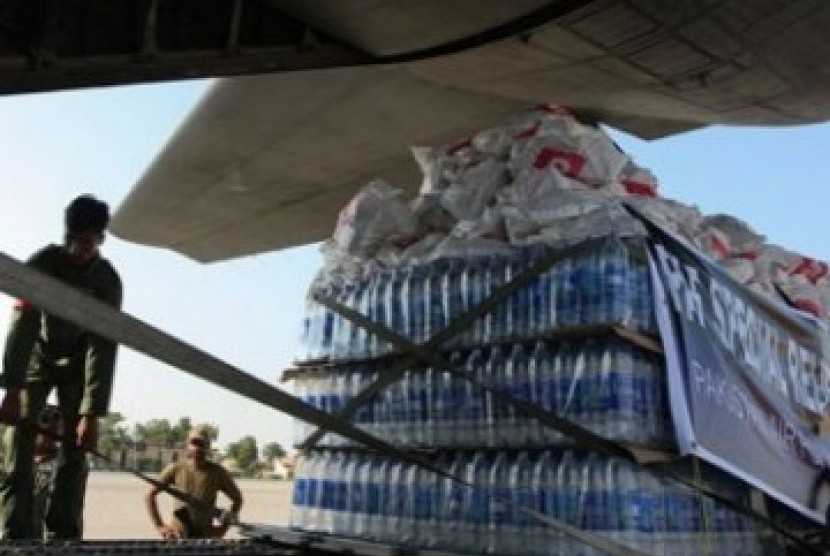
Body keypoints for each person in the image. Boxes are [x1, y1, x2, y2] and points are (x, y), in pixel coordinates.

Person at [0, 195, 123, 539]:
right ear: (65, 235)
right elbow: (21, 328)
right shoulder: (41, 264)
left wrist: (92, 413)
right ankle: (17, 533)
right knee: (18, 443)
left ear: (100, 239)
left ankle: (64, 534)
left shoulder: (107, 281)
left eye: (88, 242)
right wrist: (12, 390)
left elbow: (104, 346)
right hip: (39, 357)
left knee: (74, 453)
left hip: (80, 365)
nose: (80, 250)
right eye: (74, 240)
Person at [146, 425, 243, 539]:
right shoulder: (175, 468)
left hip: (205, 538)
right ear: (188, 445)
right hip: (177, 537)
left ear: (208, 446)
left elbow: (237, 499)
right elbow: (150, 496)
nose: (197, 447)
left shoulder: (217, 472)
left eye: (201, 444)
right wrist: (160, 526)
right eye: (194, 443)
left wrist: (222, 529)